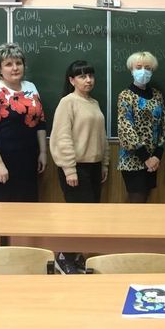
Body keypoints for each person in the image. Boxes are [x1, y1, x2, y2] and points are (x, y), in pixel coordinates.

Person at [49, 60, 109, 274]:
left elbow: (101, 137)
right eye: (82, 76)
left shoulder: (93, 103)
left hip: (93, 167)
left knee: (89, 217)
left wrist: (104, 163)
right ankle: (64, 256)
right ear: (72, 80)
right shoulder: (68, 102)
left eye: (90, 76)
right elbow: (62, 137)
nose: (88, 80)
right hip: (76, 167)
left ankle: (76, 256)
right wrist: (70, 169)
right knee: (77, 216)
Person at [0, 43, 47, 205]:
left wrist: (43, 152)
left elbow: (40, 121)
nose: (15, 68)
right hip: (1, 160)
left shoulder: (30, 87)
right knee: (1, 209)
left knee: (27, 209)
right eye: (8, 64)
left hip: (28, 159)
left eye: (18, 63)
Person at [117, 51, 165, 203]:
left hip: (153, 160)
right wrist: (146, 158)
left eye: (147, 68)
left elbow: (163, 126)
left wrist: (157, 155)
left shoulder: (157, 95)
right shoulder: (126, 96)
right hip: (133, 159)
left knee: (146, 201)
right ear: (131, 69)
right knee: (137, 201)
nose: (143, 71)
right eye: (138, 67)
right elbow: (126, 129)